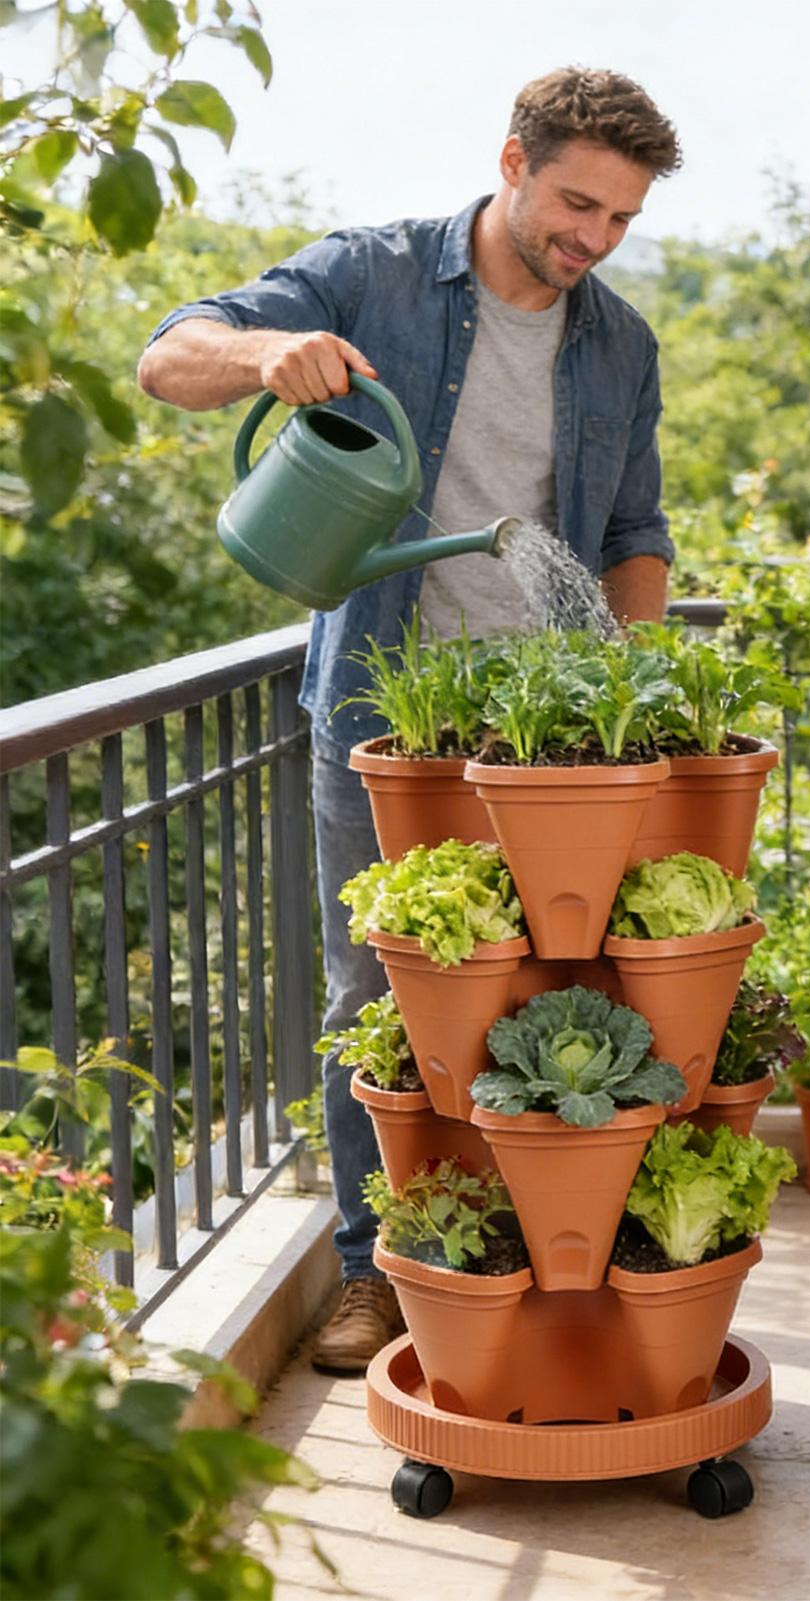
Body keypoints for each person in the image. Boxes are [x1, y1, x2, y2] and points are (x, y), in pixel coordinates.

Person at [137, 68, 681, 1373]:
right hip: (381, 716)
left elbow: (633, 533)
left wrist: (634, 694)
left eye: (620, 218)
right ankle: (374, 1269)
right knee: (375, 993)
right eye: (577, 204)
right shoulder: (370, 275)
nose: (595, 238)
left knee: (554, 984)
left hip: (544, 735)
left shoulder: (618, 344)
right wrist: (265, 354)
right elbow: (167, 357)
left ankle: (537, 1250)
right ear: (512, 161)